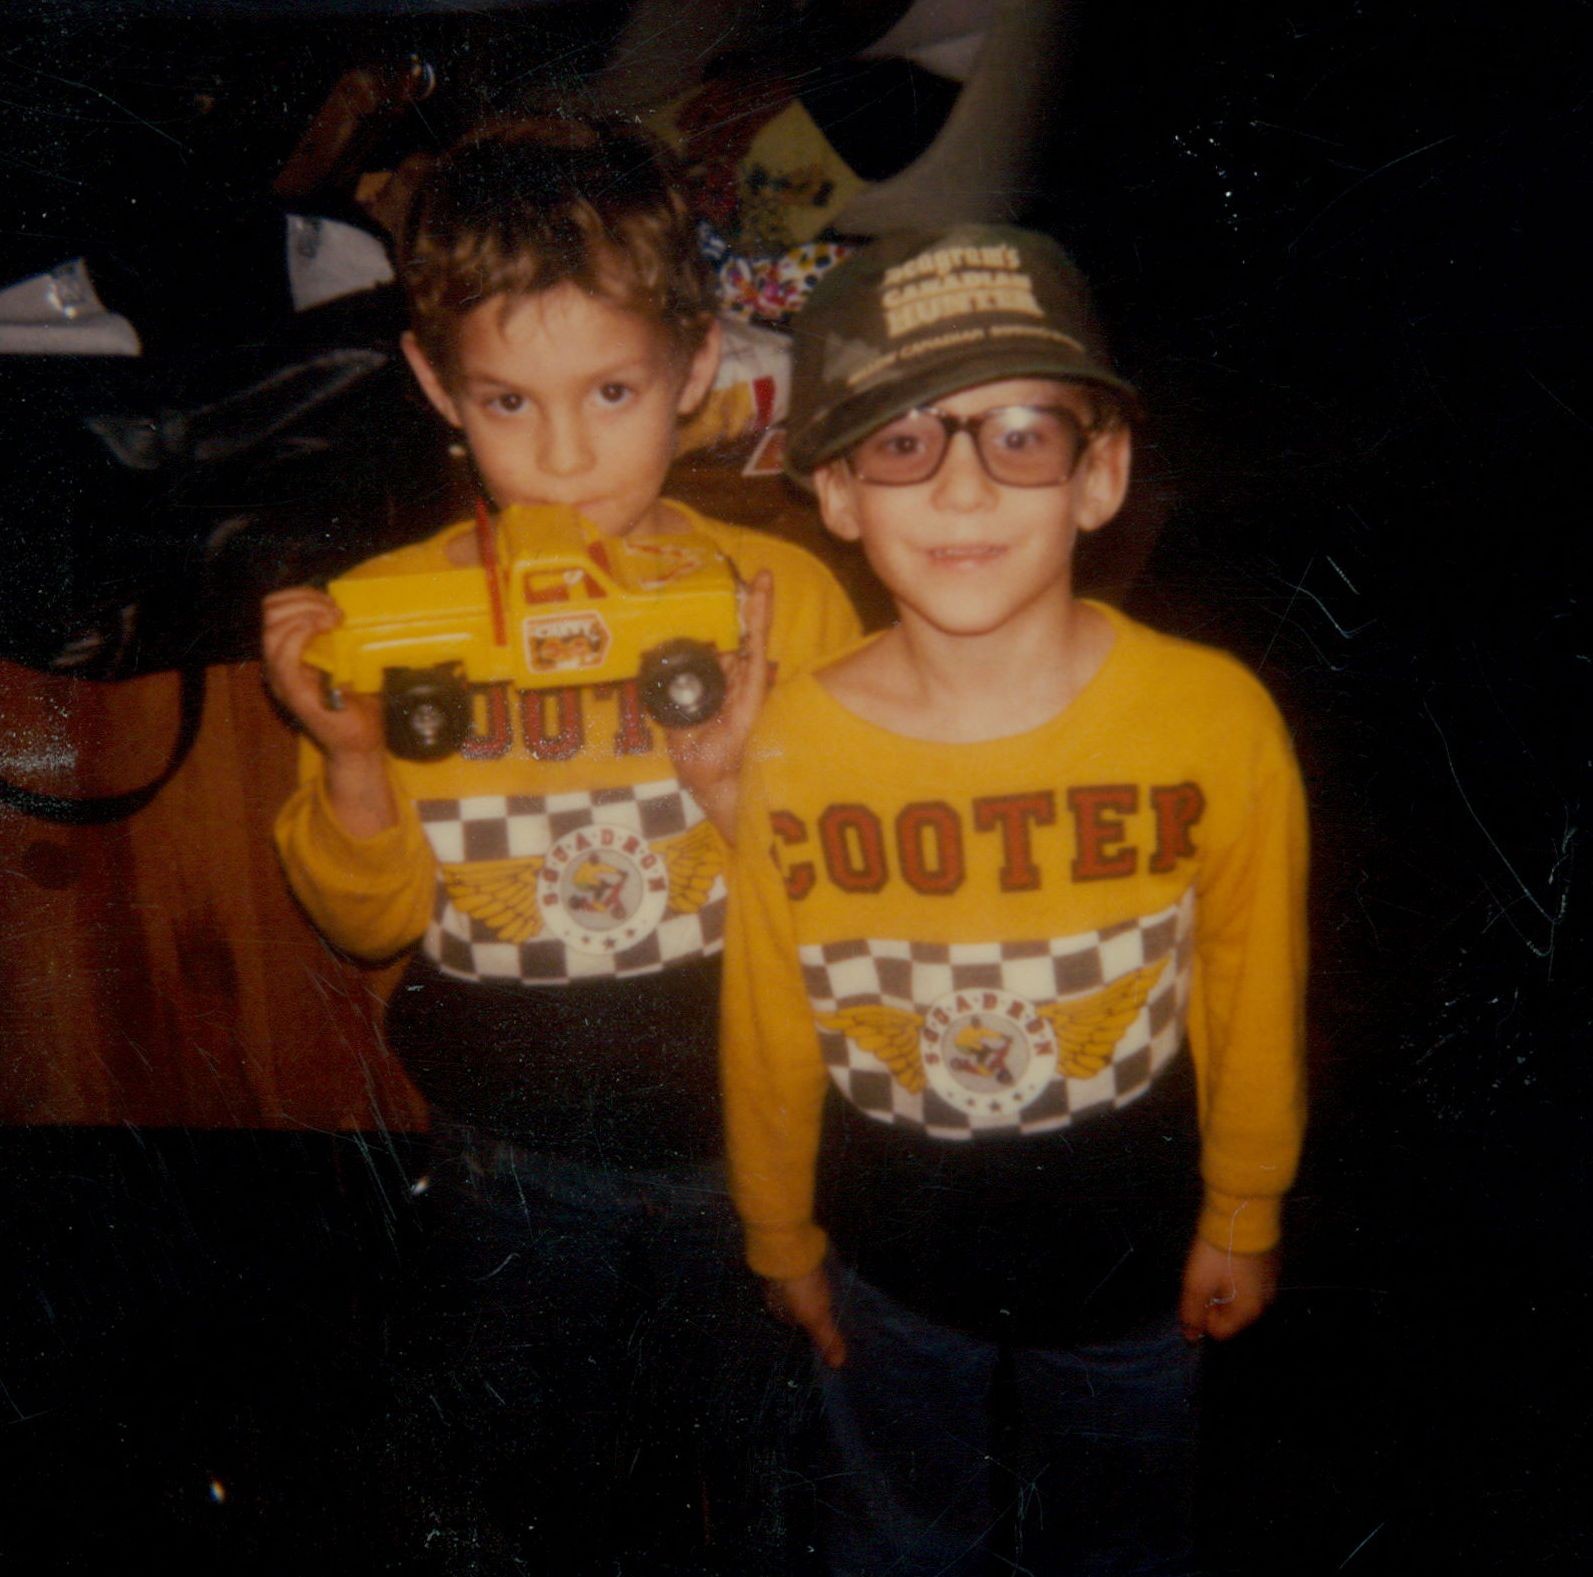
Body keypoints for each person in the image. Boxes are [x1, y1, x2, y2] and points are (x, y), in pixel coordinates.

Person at [262, 117, 861, 1573]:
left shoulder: (780, 600)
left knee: (768, 1441)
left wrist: (736, 792)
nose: (567, 453)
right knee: (526, 1449)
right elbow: (365, 919)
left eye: (611, 390)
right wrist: (354, 762)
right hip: (509, 1138)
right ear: (437, 389)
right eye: (508, 402)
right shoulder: (386, 620)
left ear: (696, 365)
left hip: (746, 1124)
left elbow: (854, 901)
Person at [721, 224, 1308, 1575]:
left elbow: (1251, 981)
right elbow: (765, 1011)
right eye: (902, 441)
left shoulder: (1214, 719)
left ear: (1102, 473)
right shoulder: (793, 740)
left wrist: (1245, 1208)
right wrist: (777, 1229)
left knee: (1118, 1541)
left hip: (1130, 1259)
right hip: (885, 1263)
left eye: (1021, 435)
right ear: (834, 491)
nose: (963, 487)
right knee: (898, 1536)